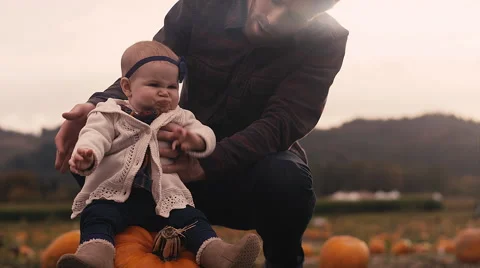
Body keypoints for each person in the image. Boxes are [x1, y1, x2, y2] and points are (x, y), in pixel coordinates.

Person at [55, 0, 349, 267]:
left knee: (288, 180)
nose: (273, 18)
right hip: (170, 162)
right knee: (95, 155)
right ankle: (117, 249)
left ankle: (280, 261)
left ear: (316, 16)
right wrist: (95, 107)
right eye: (274, 1)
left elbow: (283, 121)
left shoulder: (326, 40)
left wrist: (207, 161)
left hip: (244, 174)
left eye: (295, 15)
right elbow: (149, 67)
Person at [56, 41, 261, 268]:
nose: (165, 92)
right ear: (127, 87)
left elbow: (206, 133)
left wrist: (196, 140)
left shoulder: (180, 117)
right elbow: (95, 135)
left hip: (164, 198)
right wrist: (89, 154)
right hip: (116, 195)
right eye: (154, 84)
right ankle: (94, 257)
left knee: (192, 220)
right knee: (98, 215)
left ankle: (220, 255)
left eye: (172, 87)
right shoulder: (109, 113)